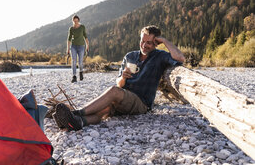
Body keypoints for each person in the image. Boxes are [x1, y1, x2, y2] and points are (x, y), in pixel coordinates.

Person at [54, 25, 185, 131]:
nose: (145, 45)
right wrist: (123, 77)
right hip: (123, 98)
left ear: (156, 43)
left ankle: (76, 113)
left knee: (114, 91)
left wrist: (164, 41)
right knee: (104, 109)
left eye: (149, 43)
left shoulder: (160, 56)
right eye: (143, 41)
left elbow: (180, 58)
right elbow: (120, 83)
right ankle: (78, 122)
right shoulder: (130, 56)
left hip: (141, 103)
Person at [67, 15, 89, 83]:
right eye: (74, 21)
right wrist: (67, 49)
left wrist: (87, 45)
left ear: (78, 20)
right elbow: (69, 39)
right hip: (73, 46)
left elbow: (85, 36)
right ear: (73, 21)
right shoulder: (71, 28)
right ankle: (74, 76)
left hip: (81, 46)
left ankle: (81, 72)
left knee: (80, 62)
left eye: (77, 21)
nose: (76, 22)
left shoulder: (82, 27)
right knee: (73, 61)